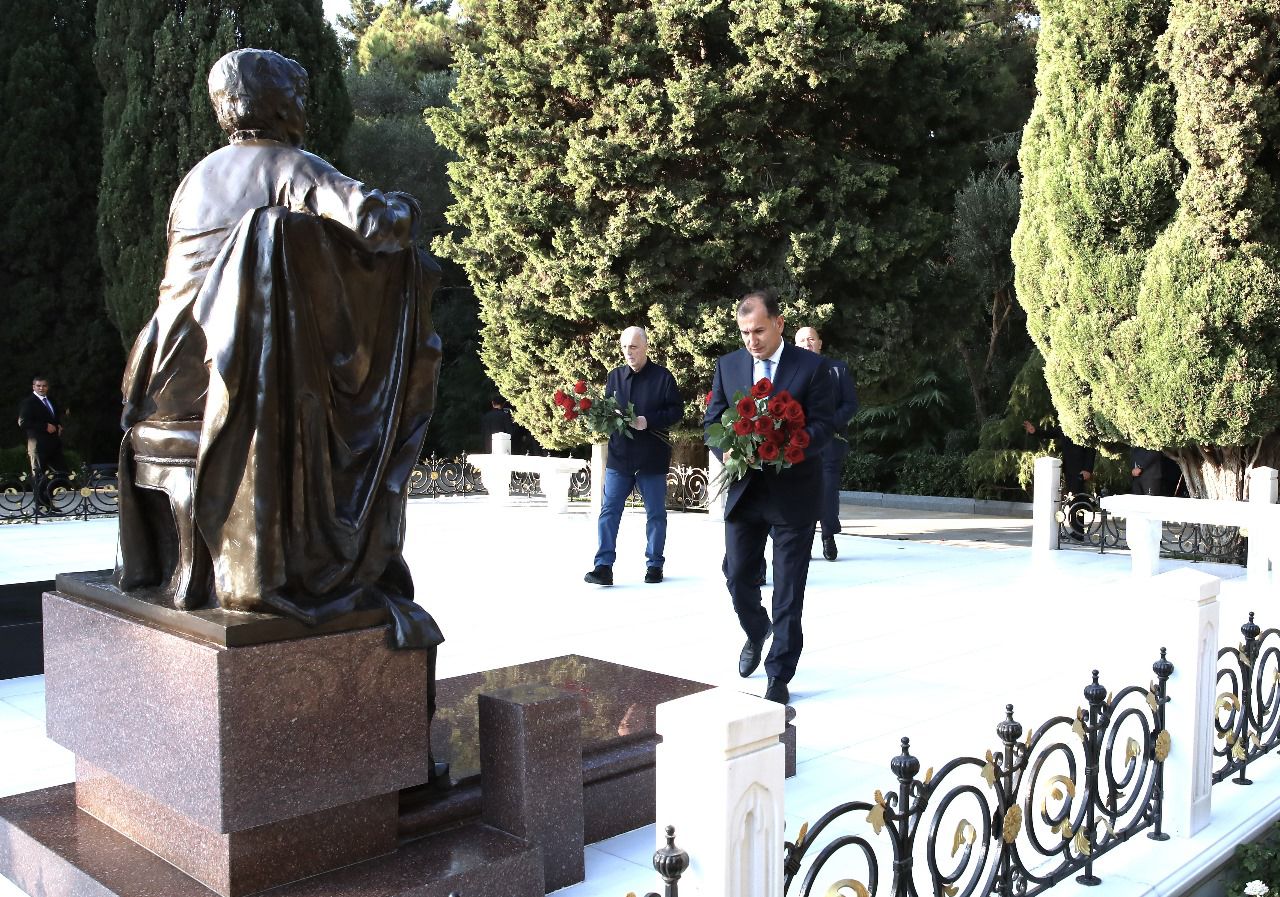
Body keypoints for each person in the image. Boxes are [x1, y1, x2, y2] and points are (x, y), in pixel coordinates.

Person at [115, 48, 443, 653]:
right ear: (275, 104)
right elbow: (372, 224)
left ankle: (195, 569)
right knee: (358, 395)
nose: (304, 109)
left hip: (164, 379)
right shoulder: (291, 166)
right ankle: (328, 551)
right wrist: (406, 210)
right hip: (231, 379)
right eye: (296, 95)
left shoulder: (197, 177)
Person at [704, 290, 835, 704]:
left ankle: (779, 673)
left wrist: (790, 442)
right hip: (745, 492)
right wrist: (723, 448)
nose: (751, 340)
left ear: (779, 323)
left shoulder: (812, 368)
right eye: (744, 332)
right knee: (738, 576)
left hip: (794, 494)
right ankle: (756, 628)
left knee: (789, 589)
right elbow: (712, 421)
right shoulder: (728, 366)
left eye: (759, 330)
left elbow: (825, 425)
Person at [584, 326, 682, 586]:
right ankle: (603, 566)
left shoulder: (663, 377)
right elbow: (607, 411)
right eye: (624, 347)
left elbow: (676, 412)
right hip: (620, 457)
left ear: (646, 347)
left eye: (634, 347)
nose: (628, 352)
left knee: (656, 514)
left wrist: (647, 421)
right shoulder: (614, 377)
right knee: (608, 512)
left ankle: (654, 565)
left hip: (651, 458)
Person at [794, 326, 858, 561]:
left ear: (820, 343)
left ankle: (828, 535)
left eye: (811, 339)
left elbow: (850, 404)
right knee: (802, 492)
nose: (807, 343)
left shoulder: (837, 369)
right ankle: (806, 539)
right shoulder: (791, 371)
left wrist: (829, 425)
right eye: (801, 340)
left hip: (830, 441)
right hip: (799, 443)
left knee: (828, 490)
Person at [1023, 419, 1096, 540]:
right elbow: (1049, 433)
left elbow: (1091, 449)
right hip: (1069, 469)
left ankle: (1079, 532)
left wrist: (1088, 469)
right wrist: (1034, 431)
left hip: (1080, 470)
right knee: (1072, 499)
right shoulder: (1064, 426)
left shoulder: (1083, 426)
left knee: (1078, 500)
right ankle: (1076, 530)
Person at [17, 376, 67, 508]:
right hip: (38, 445)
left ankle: (46, 500)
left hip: (54, 444)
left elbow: (54, 417)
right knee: (39, 476)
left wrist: (59, 425)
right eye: (38, 386)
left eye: (44, 386)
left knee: (62, 474)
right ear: (33, 387)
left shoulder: (50, 400)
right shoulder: (29, 402)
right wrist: (44, 426)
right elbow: (23, 422)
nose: (41, 388)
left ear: (47, 387)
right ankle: (43, 505)